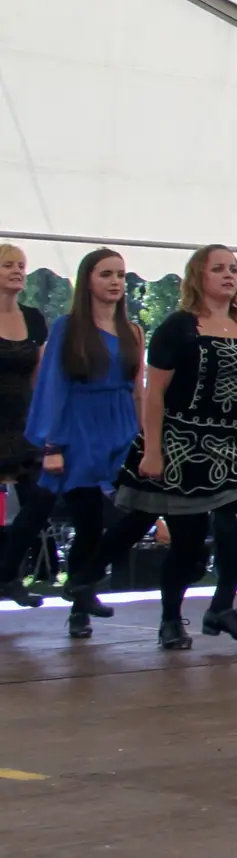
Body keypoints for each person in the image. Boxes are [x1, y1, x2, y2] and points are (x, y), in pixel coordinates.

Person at [102, 247, 237, 648]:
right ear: (199, 276)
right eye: (218, 269)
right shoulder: (178, 327)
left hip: (234, 442)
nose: (229, 275)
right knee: (188, 541)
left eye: (233, 268)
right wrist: (152, 450)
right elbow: (154, 393)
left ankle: (222, 605)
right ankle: (170, 618)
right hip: (183, 441)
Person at [31, 249, 143, 637]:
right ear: (88, 280)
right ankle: (80, 607)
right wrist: (53, 445)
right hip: (80, 428)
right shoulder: (68, 327)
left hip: (122, 428)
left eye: (121, 275)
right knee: (89, 521)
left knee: (134, 513)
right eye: (106, 274)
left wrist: (146, 437)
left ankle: (84, 580)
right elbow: (53, 386)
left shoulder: (132, 331)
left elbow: (138, 391)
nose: (116, 282)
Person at [0, 243, 52, 607]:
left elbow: (39, 377)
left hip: (23, 423)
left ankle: (7, 575)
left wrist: (44, 427)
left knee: (42, 498)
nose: (17, 271)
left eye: (21, 265)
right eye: (8, 265)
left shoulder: (33, 318)